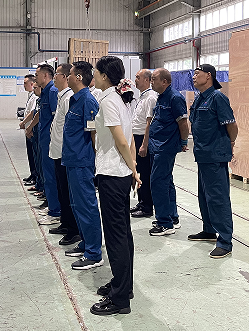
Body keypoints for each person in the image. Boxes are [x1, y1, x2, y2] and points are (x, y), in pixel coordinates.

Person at [90, 56, 141, 316]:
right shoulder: (119, 99)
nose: (93, 76)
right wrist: (132, 168)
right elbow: (129, 139)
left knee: (115, 236)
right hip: (119, 173)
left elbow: (122, 140)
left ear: (105, 76)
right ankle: (123, 285)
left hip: (112, 174)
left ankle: (120, 300)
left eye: (96, 73)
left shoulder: (109, 101)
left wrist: (133, 169)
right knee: (123, 234)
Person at [188, 64, 238, 259]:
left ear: (208, 76)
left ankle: (225, 241)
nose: (194, 77)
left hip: (215, 155)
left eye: (197, 73)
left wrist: (230, 143)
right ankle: (209, 230)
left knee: (218, 198)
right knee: (204, 196)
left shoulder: (218, 98)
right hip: (202, 155)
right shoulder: (200, 98)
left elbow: (232, 125)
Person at [61, 61, 103, 270]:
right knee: (77, 205)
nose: (67, 77)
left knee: (86, 205)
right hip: (72, 159)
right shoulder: (74, 99)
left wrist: (95, 162)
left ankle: (94, 252)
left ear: (78, 77)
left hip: (82, 162)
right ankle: (86, 242)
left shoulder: (88, 101)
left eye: (69, 74)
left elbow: (94, 134)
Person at [147, 68, 188, 236]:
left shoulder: (175, 98)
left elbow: (183, 124)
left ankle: (165, 223)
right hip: (157, 145)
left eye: (154, 79)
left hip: (165, 147)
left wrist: (183, 142)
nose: (151, 82)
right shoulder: (161, 96)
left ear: (165, 81)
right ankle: (172, 217)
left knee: (158, 183)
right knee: (166, 181)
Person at [45, 63, 80, 245]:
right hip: (57, 151)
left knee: (67, 193)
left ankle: (73, 230)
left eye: (57, 75)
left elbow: (70, 129)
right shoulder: (61, 97)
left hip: (64, 153)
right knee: (61, 190)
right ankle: (65, 223)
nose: (54, 78)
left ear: (65, 77)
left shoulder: (69, 99)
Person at [35, 64, 61, 225]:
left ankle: (55, 211)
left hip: (50, 140)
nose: (35, 78)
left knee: (51, 176)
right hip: (44, 139)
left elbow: (56, 119)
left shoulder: (52, 92)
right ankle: (52, 206)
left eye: (37, 75)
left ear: (45, 76)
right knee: (47, 174)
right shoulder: (45, 92)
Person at [131, 69, 158, 218]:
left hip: (143, 138)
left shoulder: (151, 97)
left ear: (147, 80)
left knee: (145, 173)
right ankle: (141, 202)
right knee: (139, 171)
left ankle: (147, 206)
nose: (135, 80)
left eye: (138, 77)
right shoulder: (142, 96)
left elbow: (149, 123)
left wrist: (144, 144)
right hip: (136, 137)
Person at [19, 74, 38, 186]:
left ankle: (35, 176)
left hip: (31, 129)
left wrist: (25, 123)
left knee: (34, 154)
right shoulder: (31, 95)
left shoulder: (35, 97)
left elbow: (33, 113)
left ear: (31, 83)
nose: (24, 85)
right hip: (28, 129)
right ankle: (32, 174)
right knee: (30, 154)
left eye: (25, 83)